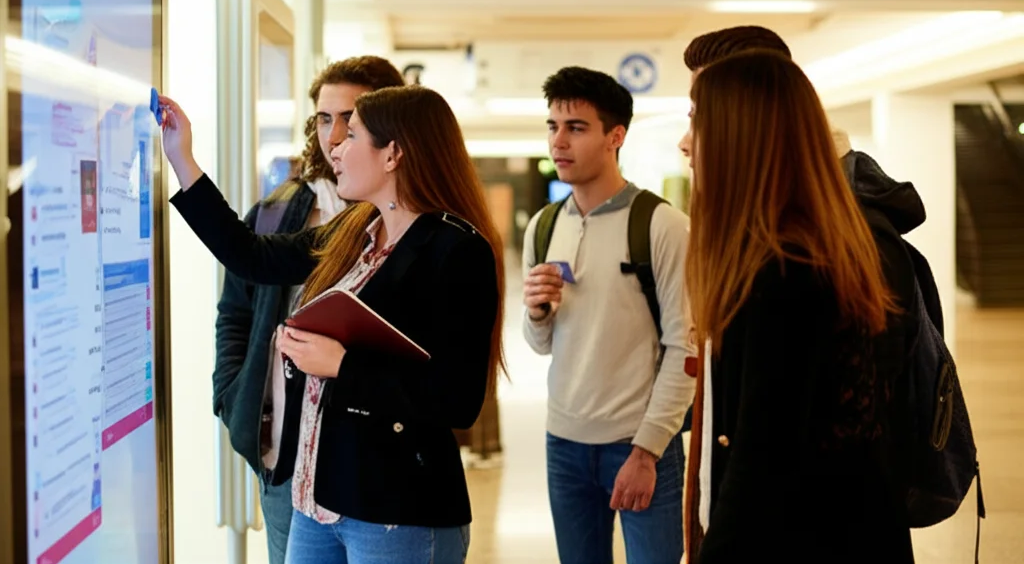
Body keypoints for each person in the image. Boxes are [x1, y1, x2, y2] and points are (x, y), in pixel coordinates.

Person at [160, 85, 504, 564]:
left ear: (393, 154)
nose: (335, 147)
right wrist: (182, 159)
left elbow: (457, 400)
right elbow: (251, 256)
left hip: (396, 509)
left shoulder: (457, 250)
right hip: (316, 498)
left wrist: (342, 364)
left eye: (353, 134)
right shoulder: (355, 231)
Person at [681, 50, 915, 564]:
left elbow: (762, 459)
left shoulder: (785, 271)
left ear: (742, 137)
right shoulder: (821, 246)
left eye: (698, 121)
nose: (685, 142)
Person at [212, 56, 404, 564]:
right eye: (324, 118)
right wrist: (233, 396)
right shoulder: (279, 211)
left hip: (376, 454)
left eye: (351, 119)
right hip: (287, 451)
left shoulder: (408, 224)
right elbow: (236, 309)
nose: (335, 134)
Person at [522, 66, 694, 564]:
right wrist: (536, 313)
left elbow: (686, 346)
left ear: (615, 136)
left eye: (576, 128)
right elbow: (541, 344)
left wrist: (646, 452)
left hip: (641, 446)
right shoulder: (544, 224)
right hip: (564, 444)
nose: (559, 141)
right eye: (553, 126)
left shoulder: (661, 225)